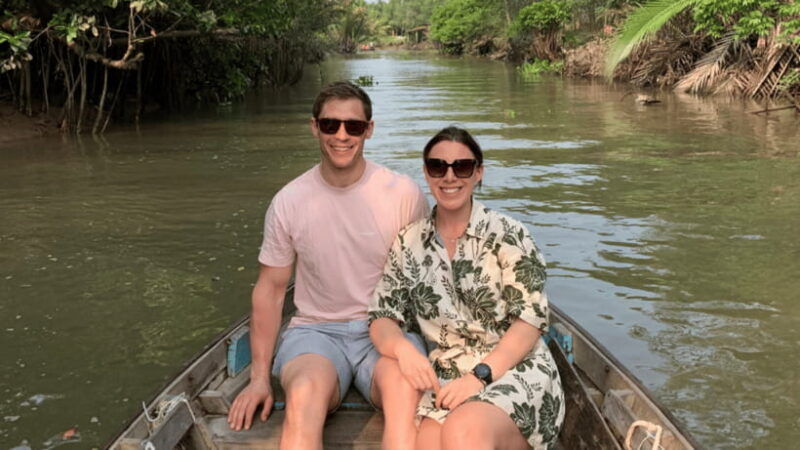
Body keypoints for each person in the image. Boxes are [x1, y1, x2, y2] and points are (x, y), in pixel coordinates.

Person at [227, 81, 429, 449]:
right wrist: (258, 378)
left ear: (368, 130)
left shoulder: (402, 194)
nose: (341, 135)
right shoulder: (289, 201)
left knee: (405, 395)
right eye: (330, 125)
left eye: (353, 126)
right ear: (314, 127)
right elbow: (271, 290)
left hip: (386, 330)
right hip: (316, 333)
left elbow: (426, 282)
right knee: (302, 401)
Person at [368, 126, 565, 449]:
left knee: (464, 430)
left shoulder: (509, 235)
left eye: (462, 166)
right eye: (437, 166)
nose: (449, 176)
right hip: (447, 378)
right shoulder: (409, 242)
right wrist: (403, 350)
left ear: (478, 173)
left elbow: (529, 322)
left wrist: (479, 377)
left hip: (513, 369)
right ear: (426, 173)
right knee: (428, 443)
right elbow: (381, 317)